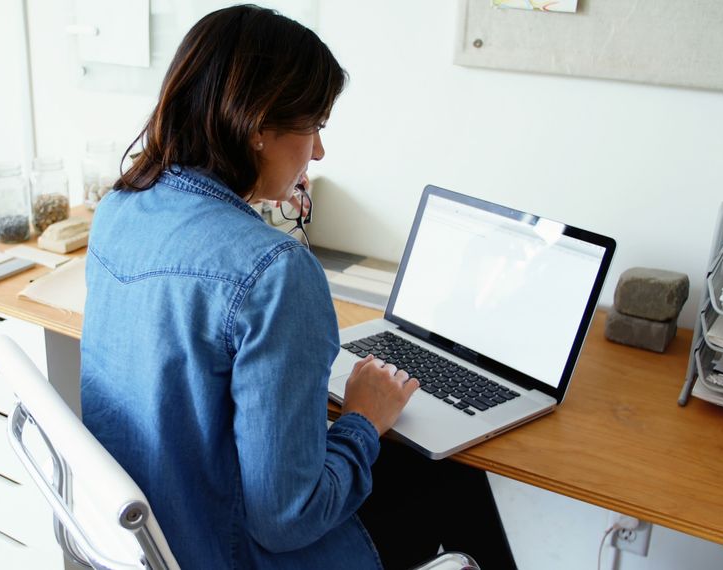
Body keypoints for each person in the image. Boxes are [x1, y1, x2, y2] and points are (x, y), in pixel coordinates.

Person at [81, 5, 516, 569]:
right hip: (234, 551)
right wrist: (363, 418)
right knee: (454, 476)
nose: (318, 152)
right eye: (314, 127)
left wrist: (248, 201)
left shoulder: (119, 209)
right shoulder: (275, 271)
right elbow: (286, 518)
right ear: (258, 126)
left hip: (160, 536)